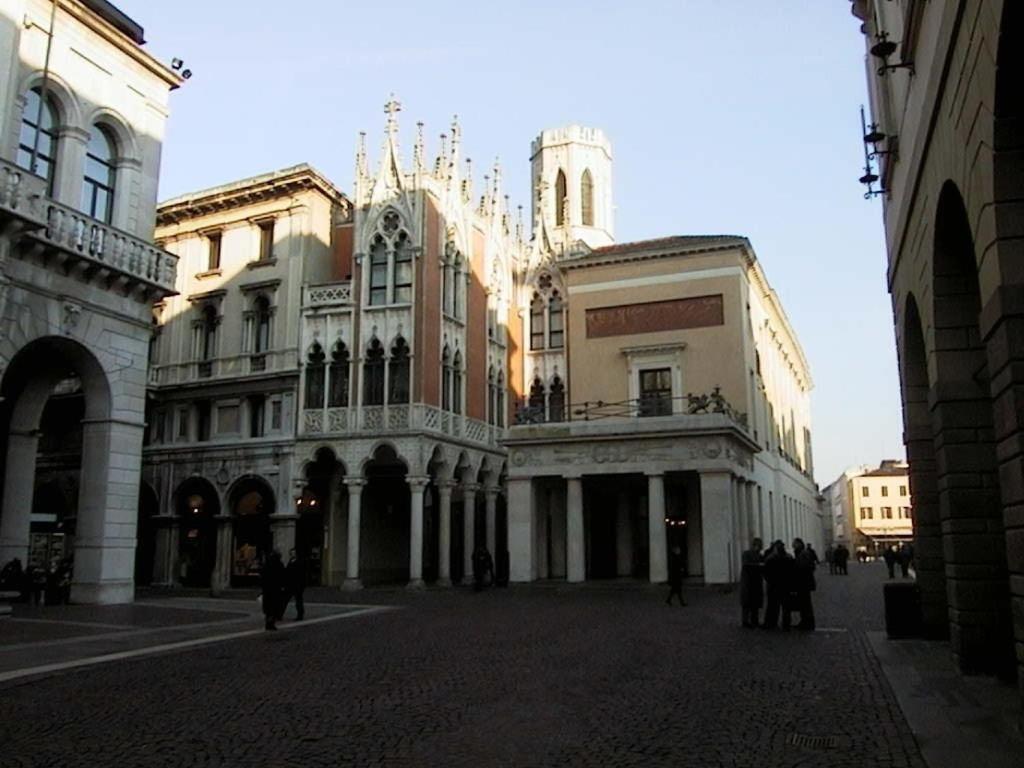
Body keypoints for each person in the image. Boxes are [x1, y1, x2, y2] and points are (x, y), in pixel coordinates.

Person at [761, 540, 791, 630]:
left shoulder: (771, 559)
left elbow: (765, 572)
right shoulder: (789, 558)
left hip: (773, 586)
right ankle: (786, 624)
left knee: (772, 606)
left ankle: (771, 623)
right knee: (786, 607)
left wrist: (769, 580)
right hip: (785, 585)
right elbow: (792, 572)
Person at [790, 538, 816, 631]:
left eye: (794, 544)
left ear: (798, 544)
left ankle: (807, 622)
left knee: (805, 603)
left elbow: (803, 567)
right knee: (804, 603)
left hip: (803, 583)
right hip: (804, 582)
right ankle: (805, 621)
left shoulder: (802, 554)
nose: (793, 545)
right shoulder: (802, 553)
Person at [739, 537, 764, 627]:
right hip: (748, 581)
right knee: (747, 602)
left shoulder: (759, 555)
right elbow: (746, 565)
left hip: (755, 581)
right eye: (759, 545)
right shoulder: (747, 554)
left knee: (754, 602)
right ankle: (746, 621)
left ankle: (754, 620)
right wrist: (758, 566)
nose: (760, 548)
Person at [260, 550, 285, 631]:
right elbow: (282, 576)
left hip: (267, 590)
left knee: (268, 608)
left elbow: (263, 576)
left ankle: (268, 623)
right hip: (275, 590)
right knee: (274, 607)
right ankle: (271, 623)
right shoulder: (279, 565)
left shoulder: (267, 565)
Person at [282, 549, 306, 621]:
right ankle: (280, 614)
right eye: (291, 553)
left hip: (297, 585)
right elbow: (287, 573)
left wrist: (302, 585)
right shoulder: (290, 562)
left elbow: (302, 575)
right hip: (289, 585)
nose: (292, 554)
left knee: (298, 601)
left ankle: (300, 615)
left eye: (294, 553)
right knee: (284, 600)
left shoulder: (300, 563)